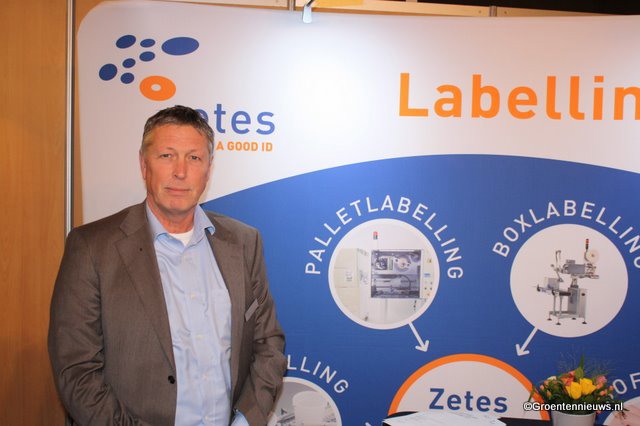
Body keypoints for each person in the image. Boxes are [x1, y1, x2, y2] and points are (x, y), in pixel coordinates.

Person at [48, 105, 286, 425]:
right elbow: (76, 371)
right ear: (143, 164)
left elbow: (268, 344)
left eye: (194, 158)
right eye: (166, 156)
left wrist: (245, 420)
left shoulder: (244, 242)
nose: (180, 171)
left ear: (208, 169)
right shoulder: (91, 248)